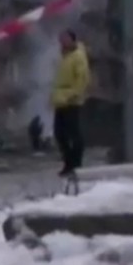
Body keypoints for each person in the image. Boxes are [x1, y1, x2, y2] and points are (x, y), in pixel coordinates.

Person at [51, 30, 90, 176]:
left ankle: (75, 164)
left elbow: (82, 79)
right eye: (60, 39)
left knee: (73, 134)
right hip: (61, 101)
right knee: (60, 134)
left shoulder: (78, 56)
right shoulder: (65, 56)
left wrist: (73, 94)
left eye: (65, 38)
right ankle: (69, 162)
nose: (62, 41)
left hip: (71, 101)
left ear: (72, 39)